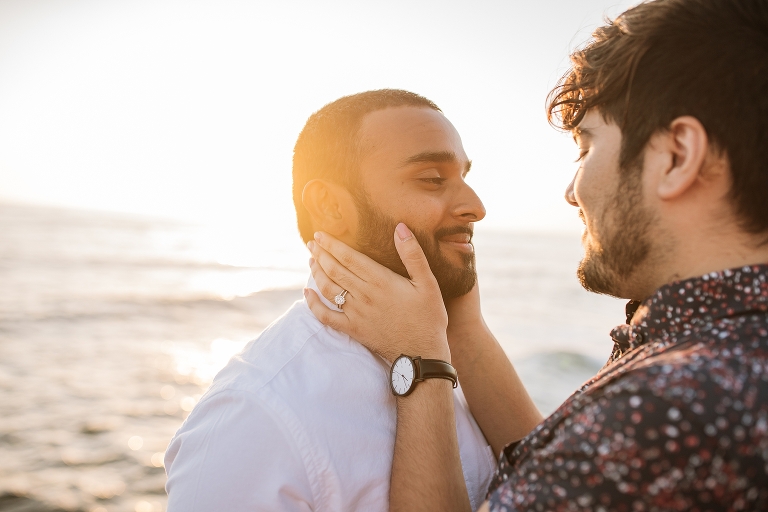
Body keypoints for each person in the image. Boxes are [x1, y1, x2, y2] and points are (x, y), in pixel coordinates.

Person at [305, 0, 768, 509]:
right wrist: (460, 332)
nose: (573, 191)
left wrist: (420, 362)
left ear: (677, 157)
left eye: (587, 147)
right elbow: (566, 471)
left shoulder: (671, 407)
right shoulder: (715, 349)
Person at [163, 89, 526, 511]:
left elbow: (562, 492)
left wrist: (461, 329)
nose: (475, 206)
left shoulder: (454, 351)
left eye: (465, 176)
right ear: (330, 206)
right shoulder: (251, 421)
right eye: (432, 179)